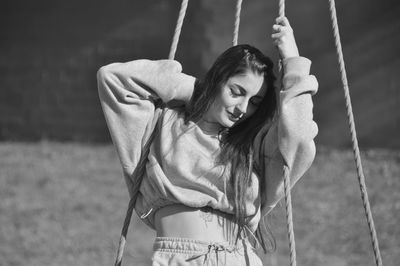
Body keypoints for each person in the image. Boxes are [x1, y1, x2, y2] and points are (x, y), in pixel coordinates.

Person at [97, 16, 318, 266]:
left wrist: (293, 63)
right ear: (217, 79)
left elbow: (299, 138)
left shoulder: (253, 146)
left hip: (239, 258)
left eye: (255, 102)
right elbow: (113, 79)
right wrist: (197, 91)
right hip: (178, 256)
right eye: (236, 92)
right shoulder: (164, 123)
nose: (243, 108)